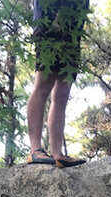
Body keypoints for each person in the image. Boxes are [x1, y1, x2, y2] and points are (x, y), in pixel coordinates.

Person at [27, 0, 89, 168]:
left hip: (73, 26)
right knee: (43, 84)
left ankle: (57, 154)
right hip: (49, 20)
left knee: (63, 91)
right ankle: (35, 149)